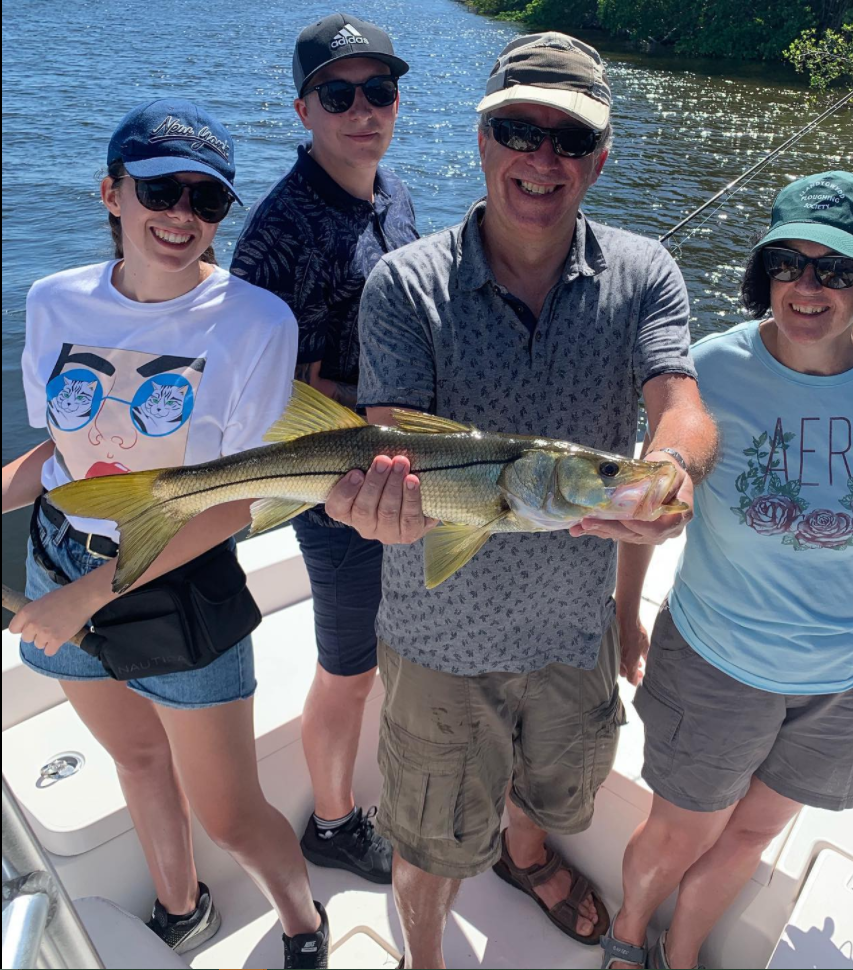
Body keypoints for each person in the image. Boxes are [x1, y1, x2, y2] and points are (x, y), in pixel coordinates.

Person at [323, 33, 719, 969]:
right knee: (428, 848)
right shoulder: (404, 284)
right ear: (482, 140)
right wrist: (376, 505)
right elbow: (396, 444)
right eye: (517, 130)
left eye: (569, 141)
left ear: (600, 158)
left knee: (554, 797)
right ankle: (424, 954)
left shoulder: (643, 273)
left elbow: (682, 408)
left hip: (568, 637)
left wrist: (667, 474)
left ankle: (527, 852)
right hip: (439, 645)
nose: (542, 160)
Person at [3, 99, 329, 968]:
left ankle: (302, 922)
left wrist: (84, 597)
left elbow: (236, 504)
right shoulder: (52, 300)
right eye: (160, 189)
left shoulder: (256, 323)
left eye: (207, 199)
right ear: (111, 193)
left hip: (179, 580)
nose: (181, 214)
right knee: (138, 761)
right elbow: (61, 453)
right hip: (57, 562)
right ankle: (182, 910)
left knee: (229, 810)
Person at [601, 171, 853, 970]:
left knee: (755, 830)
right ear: (762, 273)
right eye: (787, 263)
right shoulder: (706, 372)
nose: (807, 287)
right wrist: (624, 615)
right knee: (679, 830)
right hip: (720, 661)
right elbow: (649, 505)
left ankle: (679, 954)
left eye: (836, 269)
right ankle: (627, 936)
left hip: (847, 675)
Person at [231, 13, 417, 885]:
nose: (362, 109)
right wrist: (365, 405)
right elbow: (249, 389)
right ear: (304, 109)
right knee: (349, 662)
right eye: (338, 94)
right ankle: (333, 823)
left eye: (378, 90)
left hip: (416, 470)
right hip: (333, 481)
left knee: (395, 638)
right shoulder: (277, 231)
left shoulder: (397, 195)